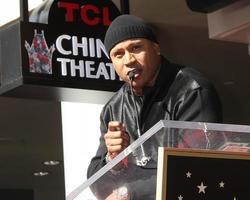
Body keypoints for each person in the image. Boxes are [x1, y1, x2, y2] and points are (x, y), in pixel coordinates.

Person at [87, 14, 222, 200]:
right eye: (118, 54)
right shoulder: (113, 108)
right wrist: (114, 160)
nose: (129, 60)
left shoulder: (192, 90)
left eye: (136, 48)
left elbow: (193, 167)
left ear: (156, 48)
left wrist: (129, 192)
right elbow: (95, 181)